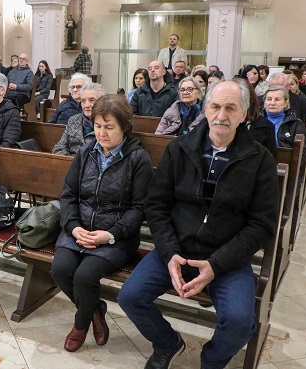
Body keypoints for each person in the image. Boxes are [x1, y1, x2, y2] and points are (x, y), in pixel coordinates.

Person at [118, 79, 279, 369]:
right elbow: (156, 205)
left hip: (226, 258)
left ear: (243, 114)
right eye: (215, 107)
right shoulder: (179, 148)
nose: (221, 115)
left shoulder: (260, 159)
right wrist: (169, 253)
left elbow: (262, 224)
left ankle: (211, 361)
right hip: (176, 249)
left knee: (240, 323)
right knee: (130, 297)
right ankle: (167, 342)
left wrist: (216, 264)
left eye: (231, 108)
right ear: (205, 109)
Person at [52, 94, 153, 352]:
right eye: (98, 126)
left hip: (117, 236)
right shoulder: (86, 152)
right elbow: (68, 195)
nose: (101, 133)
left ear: (124, 128)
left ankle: (80, 324)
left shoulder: (138, 159)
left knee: (85, 276)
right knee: (60, 270)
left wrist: (109, 235)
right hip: (79, 229)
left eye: (109, 127)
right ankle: (96, 310)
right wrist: (74, 227)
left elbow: (139, 209)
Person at [52, 83, 105, 155]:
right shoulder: (73, 120)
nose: (86, 105)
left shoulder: (106, 124)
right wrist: (71, 160)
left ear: (102, 101)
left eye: (92, 100)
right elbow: (59, 147)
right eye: (83, 101)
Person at [264, 86, 306, 156]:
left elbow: (303, 154)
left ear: (286, 103)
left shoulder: (295, 124)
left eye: (277, 99)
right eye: (269, 99)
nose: (272, 103)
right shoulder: (256, 121)